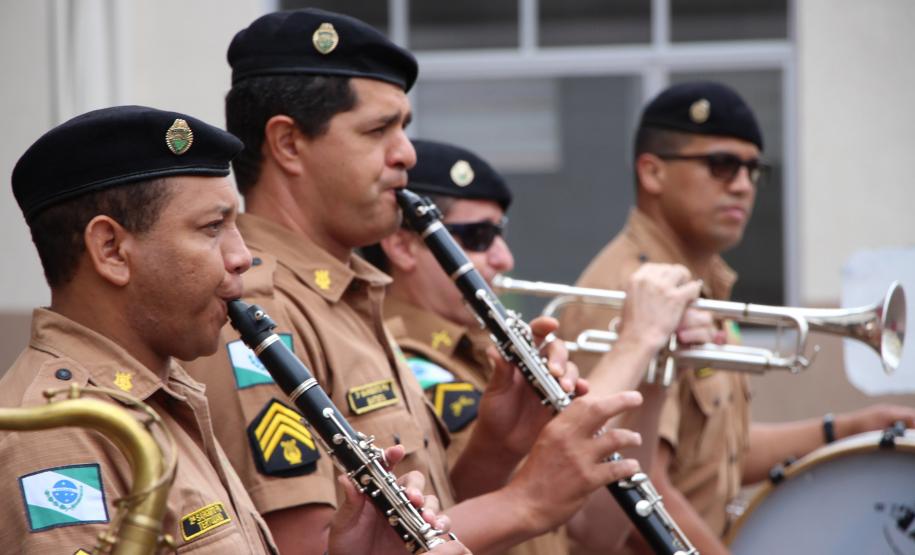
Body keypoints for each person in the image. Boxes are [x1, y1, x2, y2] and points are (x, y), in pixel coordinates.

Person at [184, 8, 701, 555]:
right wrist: (525, 501)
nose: (406, 152)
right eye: (378, 130)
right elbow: (309, 546)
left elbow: (427, 516)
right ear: (288, 144)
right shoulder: (255, 310)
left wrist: (498, 447)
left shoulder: (350, 294)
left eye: (402, 127)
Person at [0, 105, 465, 555]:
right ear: (111, 250)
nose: (242, 256)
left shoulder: (164, 396)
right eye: (212, 228)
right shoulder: (55, 436)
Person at [559, 81, 915, 555]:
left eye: (753, 169)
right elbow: (637, 481)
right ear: (652, 172)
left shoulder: (698, 286)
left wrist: (845, 431)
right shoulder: (629, 293)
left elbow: (717, 454)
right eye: (721, 164)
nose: (743, 184)